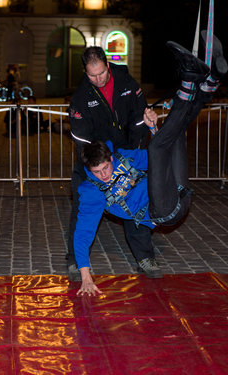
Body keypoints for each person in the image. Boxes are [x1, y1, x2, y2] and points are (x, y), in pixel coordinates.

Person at [74, 34, 228, 296]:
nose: (102, 176)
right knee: (158, 146)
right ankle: (190, 81)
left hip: (177, 190)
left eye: (105, 169)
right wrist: (85, 276)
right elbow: (82, 235)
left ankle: (207, 86)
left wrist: (153, 127)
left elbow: (157, 156)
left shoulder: (124, 156)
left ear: (112, 157)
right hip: (164, 211)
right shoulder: (92, 193)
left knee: (170, 136)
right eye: (96, 172)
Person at [66, 46, 153, 281]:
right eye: (92, 75)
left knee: (134, 199)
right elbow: (82, 140)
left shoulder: (126, 81)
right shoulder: (81, 97)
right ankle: (75, 260)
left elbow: (139, 116)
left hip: (125, 151)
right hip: (94, 156)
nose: (98, 79)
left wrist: (136, 146)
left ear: (107, 65)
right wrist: (97, 168)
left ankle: (145, 257)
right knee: (82, 204)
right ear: (85, 72)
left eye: (101, 73)